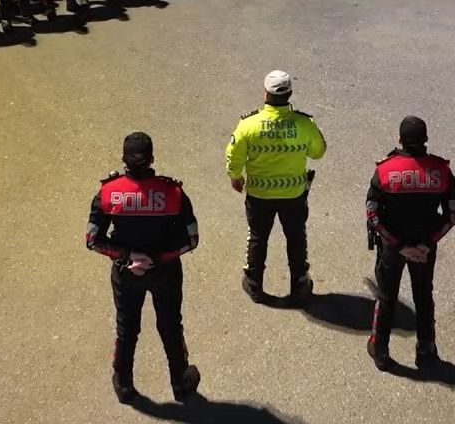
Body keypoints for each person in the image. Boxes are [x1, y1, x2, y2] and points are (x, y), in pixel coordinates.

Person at [86, 132, 201, 404]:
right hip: (165, 271)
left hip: (126, 272)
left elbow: (92, 240)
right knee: (170, 326)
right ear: (152, 158)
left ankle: (124, 385)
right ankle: (180, 383)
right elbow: (192, 240)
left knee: (126, 328)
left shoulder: (107, 192)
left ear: (123, 159)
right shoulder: (173, 192)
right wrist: (158, 258)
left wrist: (127, 256)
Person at [365, 116, 455, 372]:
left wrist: (398, 245)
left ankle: (380, 350)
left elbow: (372, 213)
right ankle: (426, 350)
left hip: (392, 247)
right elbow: (452, 215)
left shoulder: (384, 171)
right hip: (424, 249)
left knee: (386, 297)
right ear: (425, 140)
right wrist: (427, 244)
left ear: (399, 139)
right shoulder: (442, 171)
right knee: (424, 296)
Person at [226, 70, 327, 303]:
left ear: (265, 94)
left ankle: (254, 284)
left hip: (259, 194)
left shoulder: (248, 124)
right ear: (289, 93)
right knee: (296, 236)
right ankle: (299, 284)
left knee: (258, 236)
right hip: (294, 194)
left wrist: (235, 176)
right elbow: (318, 152)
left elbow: (234, 154)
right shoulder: (305, 124)